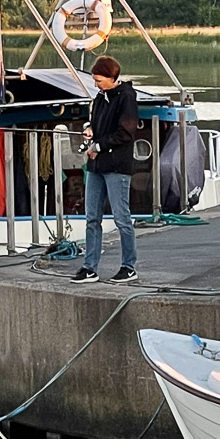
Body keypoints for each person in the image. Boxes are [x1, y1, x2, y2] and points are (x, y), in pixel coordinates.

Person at [71, 55, 139, 284]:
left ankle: (129, 266)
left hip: (117, 166)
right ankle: (89, 267)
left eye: (99, 80)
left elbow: (126, 132)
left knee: (122, 218)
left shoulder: (127, 97)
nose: (96, 85)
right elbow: (94, 121)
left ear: (112, 78)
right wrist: (89, 129)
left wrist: (98, 146)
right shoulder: (100, 97)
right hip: (96, 166)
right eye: (95, 80)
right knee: (92, 217)